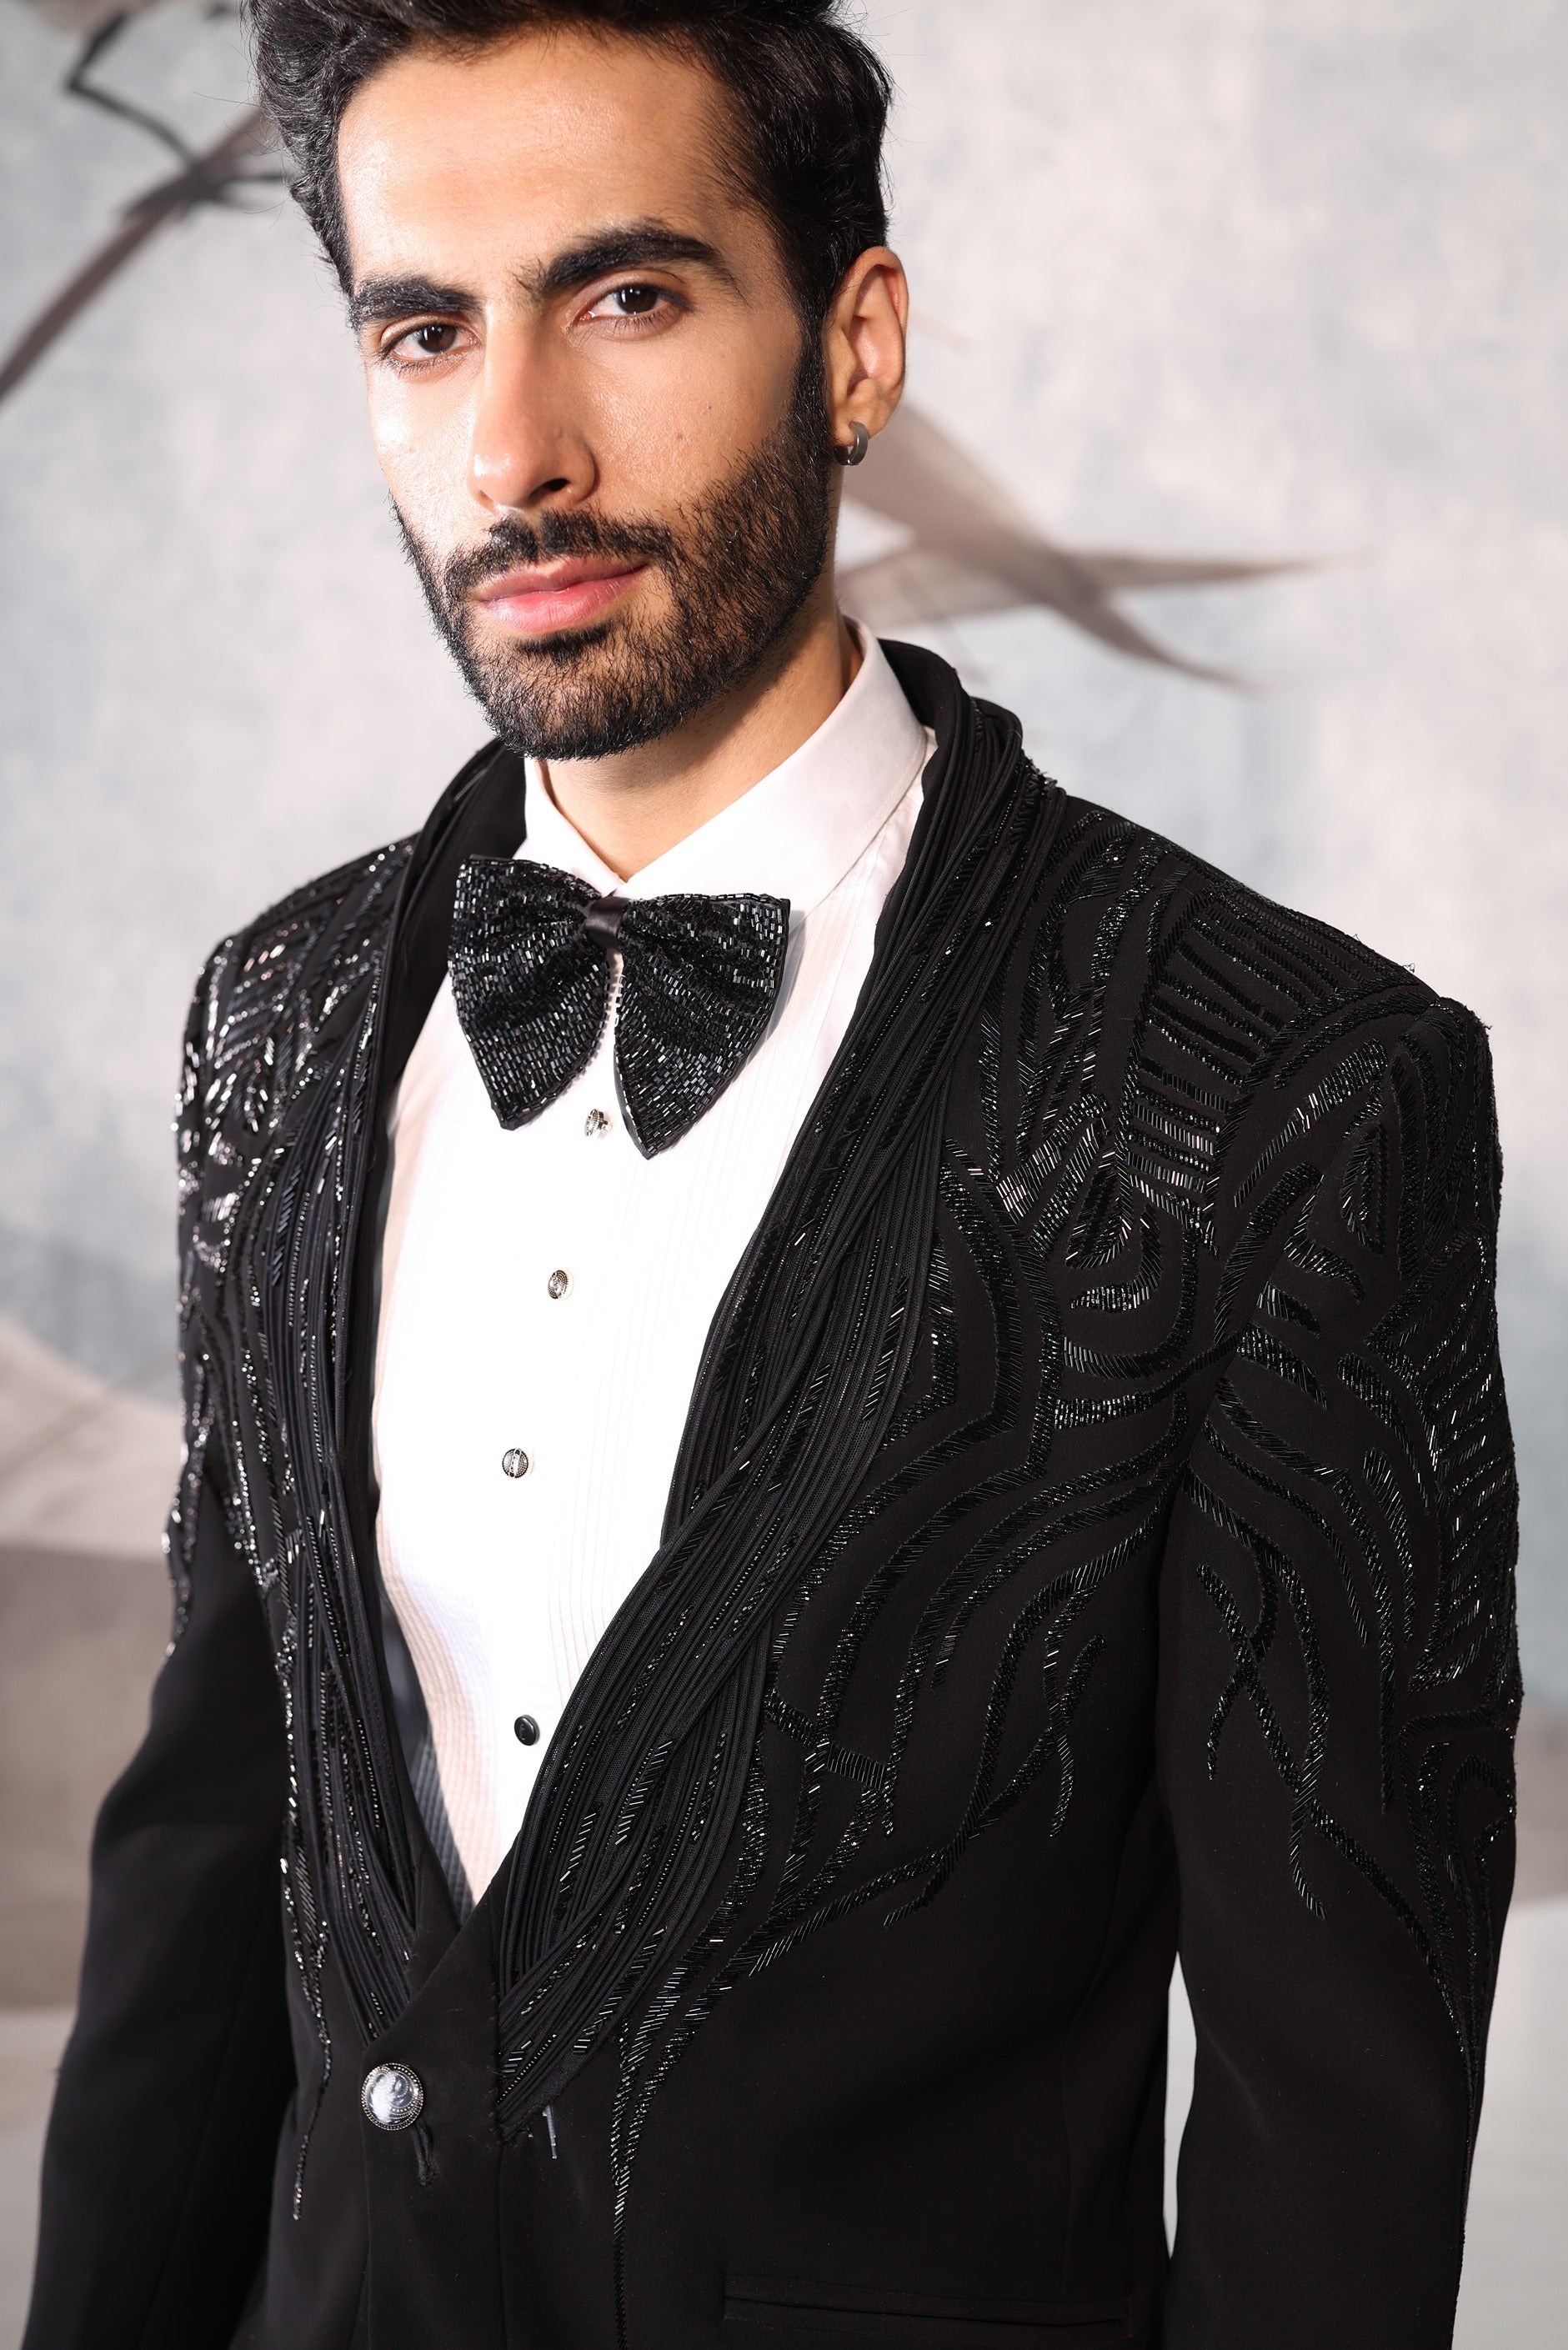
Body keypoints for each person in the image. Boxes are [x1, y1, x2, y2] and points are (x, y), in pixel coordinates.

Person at [24, 3, 1520, 2346]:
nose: (512, 446)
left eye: (624, 297)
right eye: (425, 329)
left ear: (853, 341)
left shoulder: (1287, 1095)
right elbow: (212, 1864)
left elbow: (1332, 2116)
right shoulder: (280, 1016)